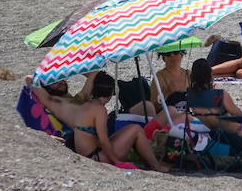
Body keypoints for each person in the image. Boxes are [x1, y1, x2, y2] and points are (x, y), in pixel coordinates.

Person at [29, 72, 169, 172]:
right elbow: (103, 140)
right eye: (54, 82)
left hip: (92, 151)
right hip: (96, 157)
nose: (59, 82)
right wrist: (117, 162)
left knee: (134, 124)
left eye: (60, 78)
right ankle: (155, 166)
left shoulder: (80, 102)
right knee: (135, 129)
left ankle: (151, 159)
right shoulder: (90, 108)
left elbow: (92, 76)